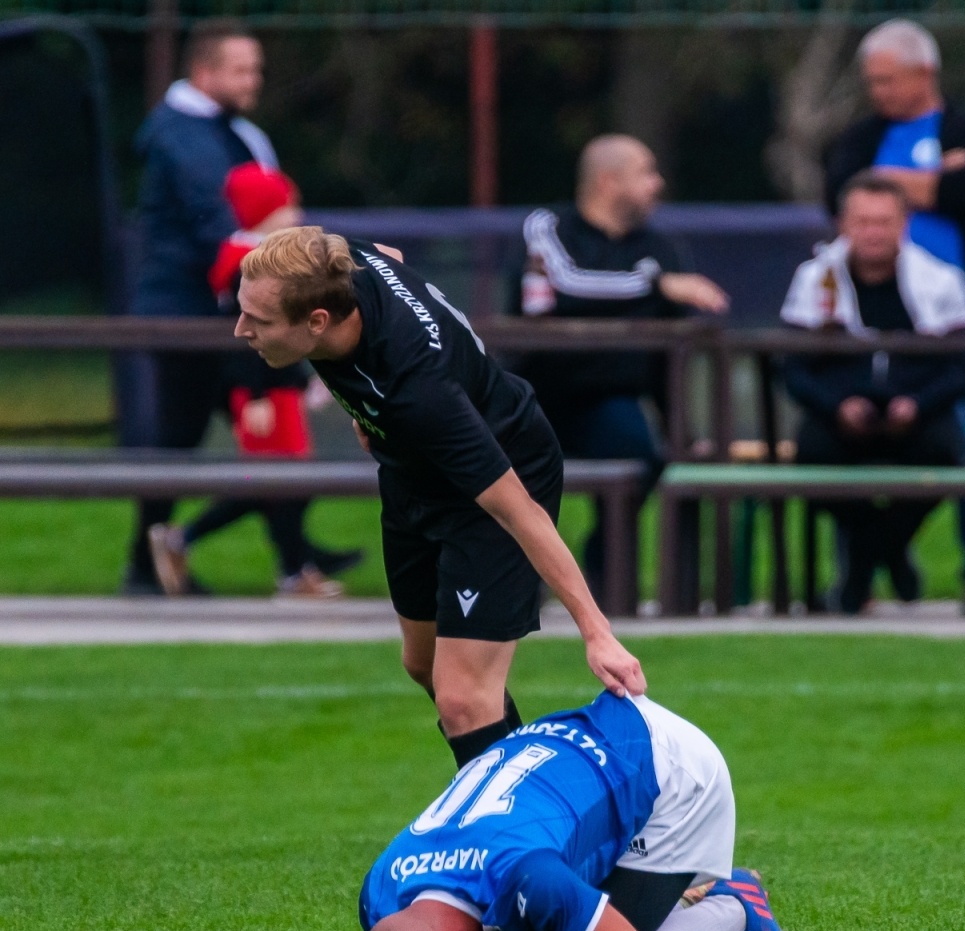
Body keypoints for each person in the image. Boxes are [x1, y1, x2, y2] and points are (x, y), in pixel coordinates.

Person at [234, 225, 644, 770]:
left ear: (317, 322)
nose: (240, 330)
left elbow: (522, 515)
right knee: (424, 663)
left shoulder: (419, 393)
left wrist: (597, 634)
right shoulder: (335, 262)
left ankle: (514, 836)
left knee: (463, 701)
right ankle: (527, 796)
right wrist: (365, 413)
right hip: (411, 468)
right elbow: (390, 255)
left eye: (257, 321)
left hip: (498, 470)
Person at [294, 690, 796, 931]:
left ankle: (731, 910)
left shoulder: (527, 875)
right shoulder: (381, 890)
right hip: (570, 762)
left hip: (671, 772)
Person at [823, 18, 965, 615]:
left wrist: (890, 185)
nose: (877, 92)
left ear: (925, 73)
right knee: (846, 443)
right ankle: (861, 571)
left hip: (949, 319)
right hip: (867, 320)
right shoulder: (861, 134)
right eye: (871, 81)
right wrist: (930, 181)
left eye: (888, 80)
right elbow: (840, 190)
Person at [508, 135, 728, 594]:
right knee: (506, 480)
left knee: (640, 456)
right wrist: (656, 287)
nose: (658, 184)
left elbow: (673, 350)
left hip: (608, 400)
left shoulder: (659, 248)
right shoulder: (547, 229)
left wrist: (682, 430)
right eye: (646, 172)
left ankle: (608, 581)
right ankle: (517, 584)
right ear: (609, 182)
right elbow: (564, 286)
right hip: (534, 397)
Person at [149, 162, 362, 599]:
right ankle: (282, 570)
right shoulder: (244, 265)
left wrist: (304, 380)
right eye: (287, 206)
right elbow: (247, 338)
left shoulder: (261, 257)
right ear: (262, 211)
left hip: (280, 386)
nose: (296, 215)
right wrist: (258, 395)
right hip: (265, 390)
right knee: (277, 484)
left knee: (285, 484)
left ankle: (288, 568)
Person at [122, 20, 278, 596]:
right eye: (241, 70)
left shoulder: (227, 132)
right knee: (184, 434)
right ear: (205, 73)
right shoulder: (183, 134)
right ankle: (146, 561)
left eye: (256, 68)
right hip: (188, 311)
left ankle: (295, 557)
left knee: (260, 429)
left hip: (219, 309)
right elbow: (220, 218)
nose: (253, 80)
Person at [781, 174, 965, 615]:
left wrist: (918, 404)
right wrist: (838, 406)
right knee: (812, 450)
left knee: (946, 449)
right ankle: (890, 554)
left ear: (903, 224)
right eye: (863, 221)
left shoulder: (942, 280)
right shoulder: (813, 281)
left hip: (918, 418)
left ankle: (861, 569)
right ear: (843, 224)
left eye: (884, 222)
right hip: (841, 420)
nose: (873, 232)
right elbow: (793, 371)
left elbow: (962, 370)